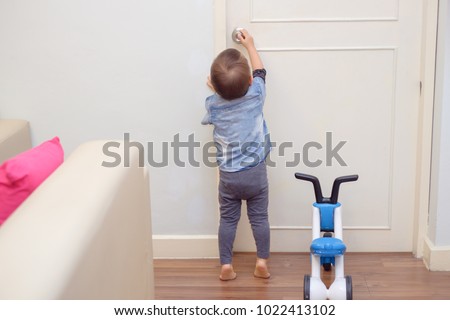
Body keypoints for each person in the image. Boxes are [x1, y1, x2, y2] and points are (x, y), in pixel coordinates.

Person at [201, 29, 271, 281]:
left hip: (229, 176)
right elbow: (261, 72)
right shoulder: (256, 95)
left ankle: (226, 266)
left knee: (228, 221)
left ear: (214, 85)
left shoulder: (213, 104)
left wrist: (217, 91)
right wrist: (250, 45)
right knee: (259, 218)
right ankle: (261, 261)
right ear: (250, 82)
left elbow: (218, 101)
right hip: (255, 173)